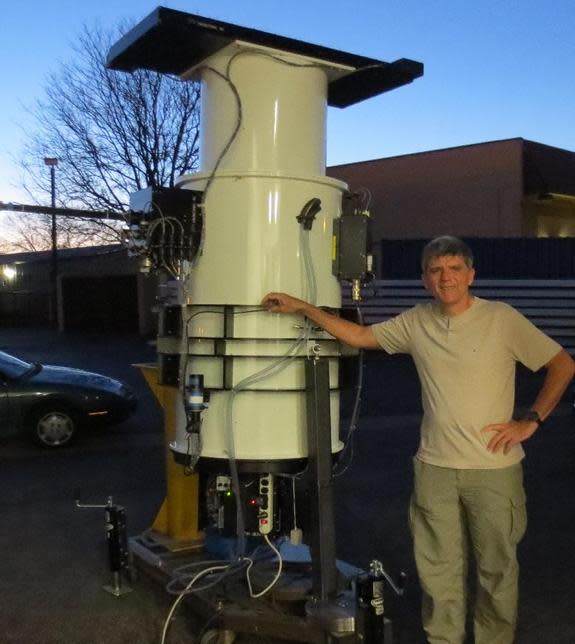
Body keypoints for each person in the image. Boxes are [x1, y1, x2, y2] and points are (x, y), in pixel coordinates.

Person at [261, 235, 575, 644]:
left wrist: (530, 420)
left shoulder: (501, 318)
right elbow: (359, 337)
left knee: (496, 569)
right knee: (438, 570)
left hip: (494, 469)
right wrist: (304, 308)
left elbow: (562, 365)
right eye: (436, 270)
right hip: (434, 468)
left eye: (455, 269)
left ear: (471, 275)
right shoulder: (417, 323)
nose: (446, 278)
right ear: (426, 280)